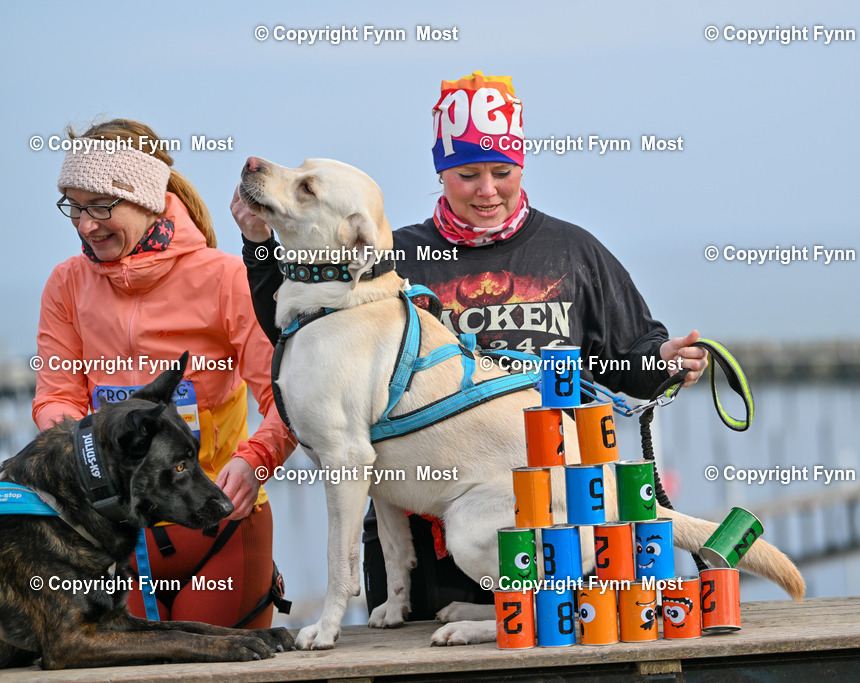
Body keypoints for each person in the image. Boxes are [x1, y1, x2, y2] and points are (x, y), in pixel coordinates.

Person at [233, 72, 708, 620]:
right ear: (441, 173)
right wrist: (258, 247)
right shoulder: (391, 255)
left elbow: (628, 361)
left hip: (549, 521)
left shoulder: (574, 252)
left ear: (521, 167)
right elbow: (302, 337)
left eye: (502, 172)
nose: (487, 190)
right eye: (467, 174)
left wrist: (664, 363)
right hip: (422, 548)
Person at [34, 119, 296, 628]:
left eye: (101, 206)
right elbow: (55, 397)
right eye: (75, 206)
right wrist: (81, 447)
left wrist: (255, 461)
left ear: (148, 199)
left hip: (219, 524)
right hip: (113, 534)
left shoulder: (225, 278)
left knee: (209, 662)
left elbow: (286, 399)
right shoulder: (66, 284)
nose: (86, 225)